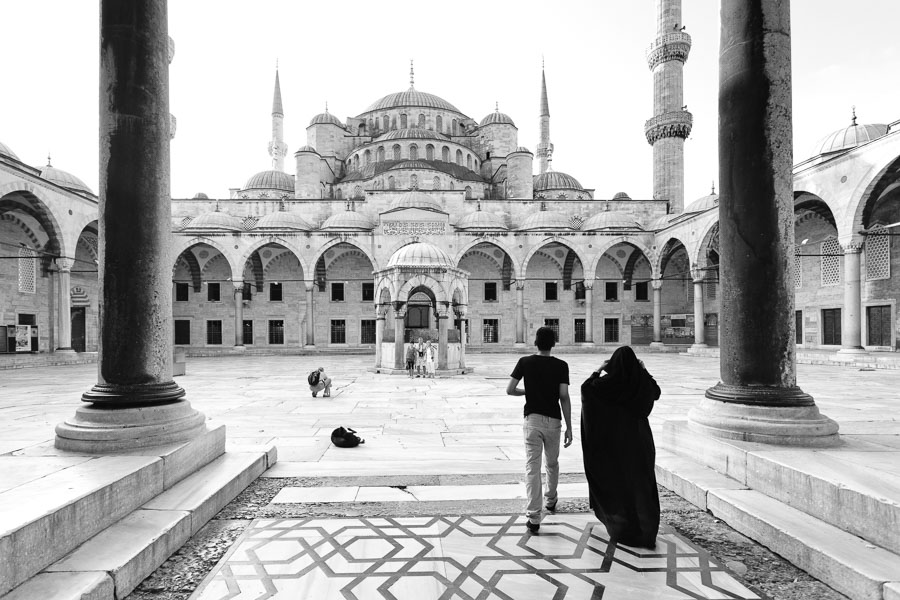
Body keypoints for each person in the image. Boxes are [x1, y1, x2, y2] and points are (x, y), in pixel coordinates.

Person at [580, 346, 661, 548]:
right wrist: (643, 370)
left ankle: (621, 527)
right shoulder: (640, 384)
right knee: (640, 483)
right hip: (639, 443)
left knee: (618, 484)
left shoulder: (605, 385)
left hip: (614, 444)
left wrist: (598, 369)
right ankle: (645, 530)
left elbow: (586, 388)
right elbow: (656, 392)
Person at [507, 326, 573, 533]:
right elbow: (564, 396)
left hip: (532, 421)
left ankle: (534, 517)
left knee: (532, 468)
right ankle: (550, 500)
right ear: (554, 344)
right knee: (551, 463)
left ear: (535, 343)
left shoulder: (525, 362)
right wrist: (570, 427)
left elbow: (510, 389)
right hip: (554, 421)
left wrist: (529, 391)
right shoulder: (562, 365)